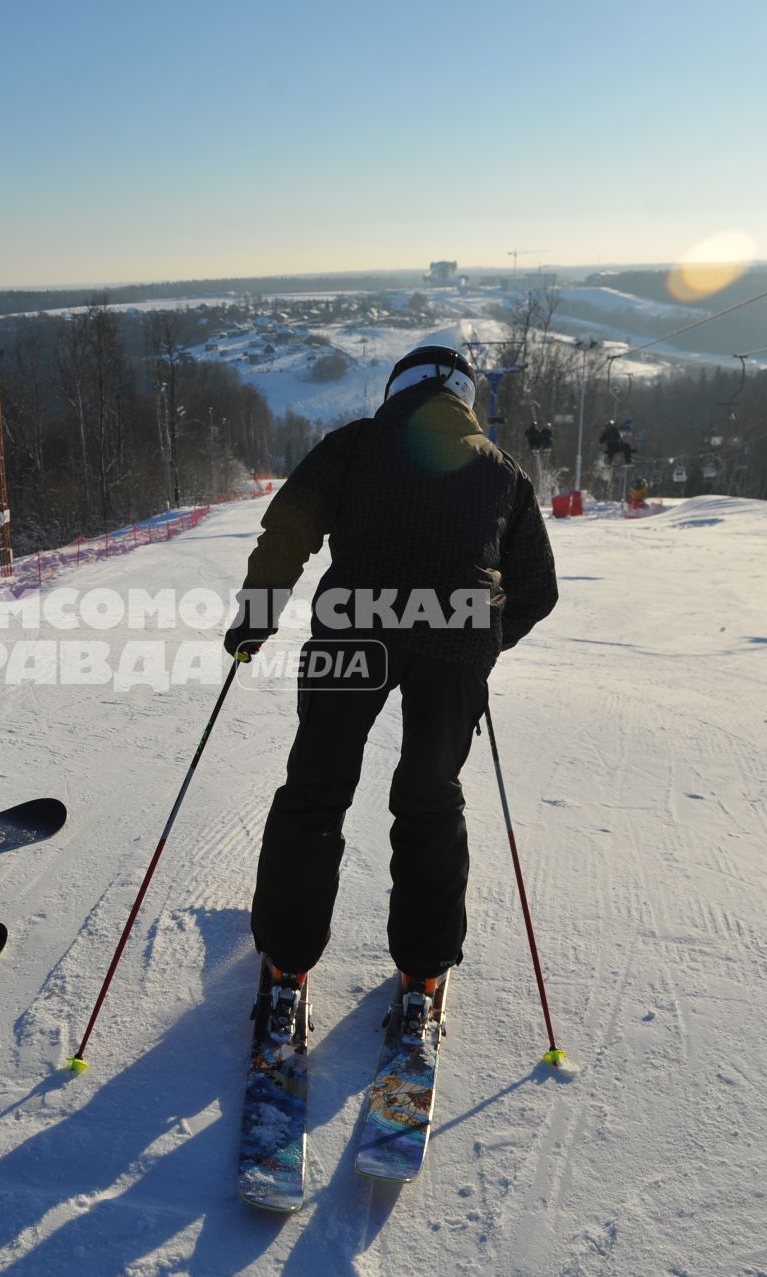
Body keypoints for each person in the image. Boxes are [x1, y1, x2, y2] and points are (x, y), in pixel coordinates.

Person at [222, 343, 558, 1038]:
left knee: (316, 790)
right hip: (456, 641)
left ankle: (286, 967)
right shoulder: (504, 472)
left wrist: (256, 618)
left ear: (398, 389)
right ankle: (425, 971)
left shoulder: (354, 444)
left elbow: (289, 527)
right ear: (465, 398)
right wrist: (484, 646)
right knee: (430, 798)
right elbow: (537, 590)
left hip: (353, 633)